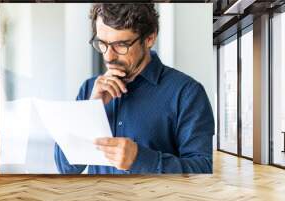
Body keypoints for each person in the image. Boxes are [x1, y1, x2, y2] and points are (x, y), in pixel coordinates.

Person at [54, 3, 214, 174]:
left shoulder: (187, 93)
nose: (108, 56)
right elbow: (66, 168)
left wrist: (140, 159)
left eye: (121, 45)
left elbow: (203, 169)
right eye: (102, 43)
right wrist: (90, 110)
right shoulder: (89, 89)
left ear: (149, 39)